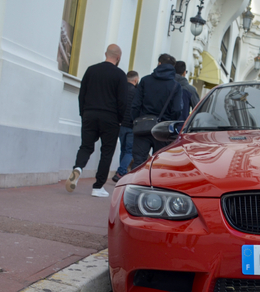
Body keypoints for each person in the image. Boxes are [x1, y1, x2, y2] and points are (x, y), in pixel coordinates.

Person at [66, 44, 127, 197]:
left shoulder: (91, 70)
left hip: (89, 114)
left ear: (105, 53)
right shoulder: (120, 75)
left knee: (86, 146)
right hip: (110, 118)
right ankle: (98, 187)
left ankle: (78, 168)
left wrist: (83, 113)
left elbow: (82, 94)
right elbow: (123, 101)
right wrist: (120, 119)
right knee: (106, 152)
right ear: (118, 57)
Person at [130, 53, 182, 169]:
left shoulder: (145, 81)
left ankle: (135, 185)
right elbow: (177, 110)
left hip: (143, 127)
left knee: (138, 162)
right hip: (163, 130)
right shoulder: (175, 86)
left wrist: (136, 121)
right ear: (172, 68)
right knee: (159, 164)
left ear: (159, 63)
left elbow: (135, 105)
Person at [112, 71, 139, 182]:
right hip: (131, 126)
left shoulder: (120, 90)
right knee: (129, 151)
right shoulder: (137, 93)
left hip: (120, 124)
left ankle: (121, 172)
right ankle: (121, 172)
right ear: (136, 80)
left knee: (123, 150)